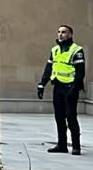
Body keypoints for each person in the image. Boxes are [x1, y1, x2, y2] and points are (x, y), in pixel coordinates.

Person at [37, 24, 86, 154]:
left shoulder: (77, 50)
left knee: (71, 117)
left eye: (64, 32)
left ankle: (76, 146)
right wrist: (42, 84)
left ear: (70, 35)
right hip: (58, 87)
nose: (60, 34)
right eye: (59, 32)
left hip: (70, 88)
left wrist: (75, 89)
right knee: (59, 117)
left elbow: (80, 72)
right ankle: (62, 145)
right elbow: (49, 69)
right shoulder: (55, 50)